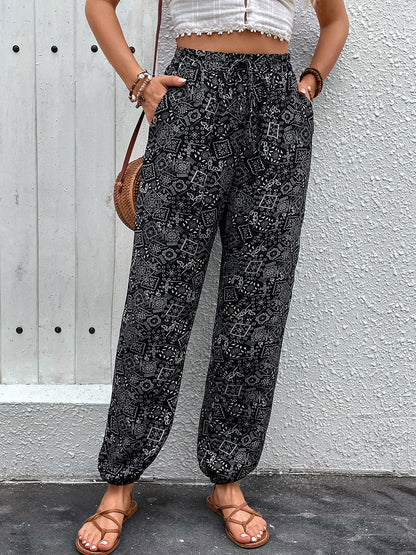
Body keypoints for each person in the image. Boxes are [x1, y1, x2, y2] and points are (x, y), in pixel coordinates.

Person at [76, 0, 349, 552]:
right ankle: (120, 482)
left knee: (258, 302)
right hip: (193, 96)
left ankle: (228, 478)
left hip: (277, 110)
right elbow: (98, 5)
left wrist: (309, 83)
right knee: (158, 297)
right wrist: (140, 83)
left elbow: (335, 19)